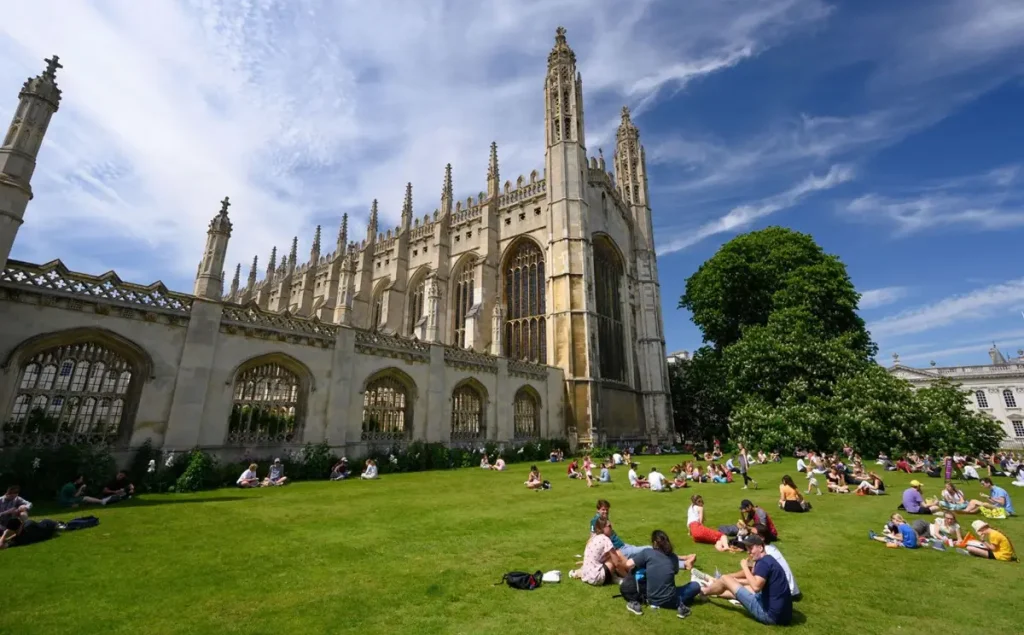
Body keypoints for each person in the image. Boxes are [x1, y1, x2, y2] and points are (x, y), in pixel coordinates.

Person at [696, 535, 793, 625]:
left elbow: (756, 587)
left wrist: (745, 567)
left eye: (751, 548)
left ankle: (702, 591)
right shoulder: (769, 559)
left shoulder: (763, 563)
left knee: (725, 578)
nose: (748, 552)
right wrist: (737, 581)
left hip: (769, 615)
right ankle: (711, 591)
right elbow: (756, 583)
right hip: (785, 616)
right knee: (737, 587)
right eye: (747, 549)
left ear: (760, 547)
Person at [621, 530, 702, 619]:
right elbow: (674, 572)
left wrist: (642, 565)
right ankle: (684, 604)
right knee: (695, 586)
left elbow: (628, 564)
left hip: (650, 598)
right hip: (670, 600)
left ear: (655, 543)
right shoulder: (673, 557)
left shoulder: (647, 553)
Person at [571, 517, 631, 585]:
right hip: (597, 578)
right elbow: (617, 563)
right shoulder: (605, 539)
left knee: (611, 555)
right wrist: (628, 578)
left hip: (587, 575)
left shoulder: (593, 537)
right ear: (602, 528)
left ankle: (623, 573)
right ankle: (629, 575)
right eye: (609, 526)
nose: (611, 529)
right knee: (617, 555)